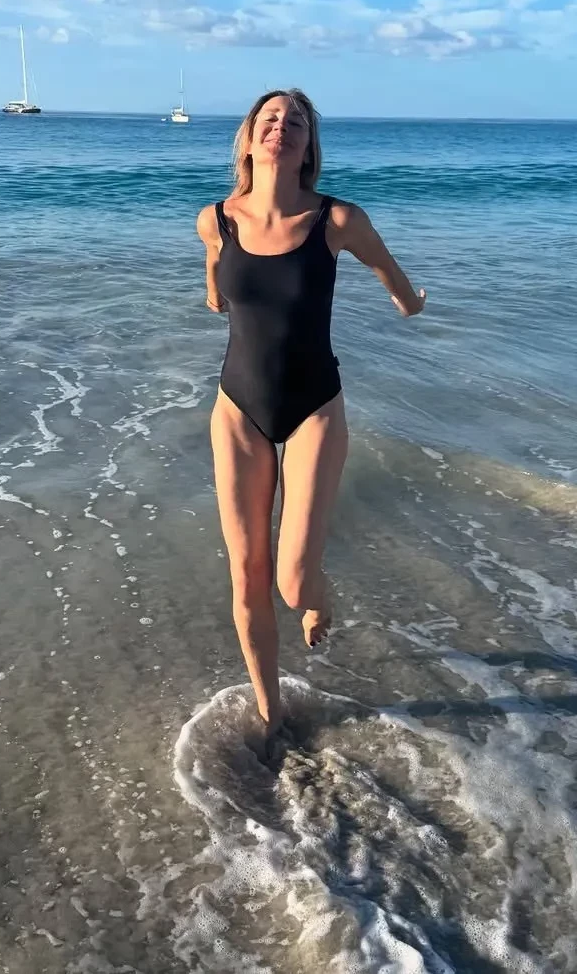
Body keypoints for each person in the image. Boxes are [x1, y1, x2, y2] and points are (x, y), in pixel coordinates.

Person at [196, 88, 426, 737]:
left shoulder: (336, 219)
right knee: (247, 577)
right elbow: (215, 283)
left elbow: (386, 268)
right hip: (237, 408)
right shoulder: (216, 220)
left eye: (295, 121)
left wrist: (411, 302)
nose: (281, 126)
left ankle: (319, 595)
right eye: (269, 118)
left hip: (313, 407)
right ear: (249, 140)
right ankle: (270, 711)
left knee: (294, 582)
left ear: (308, 148)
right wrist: (217, 293)